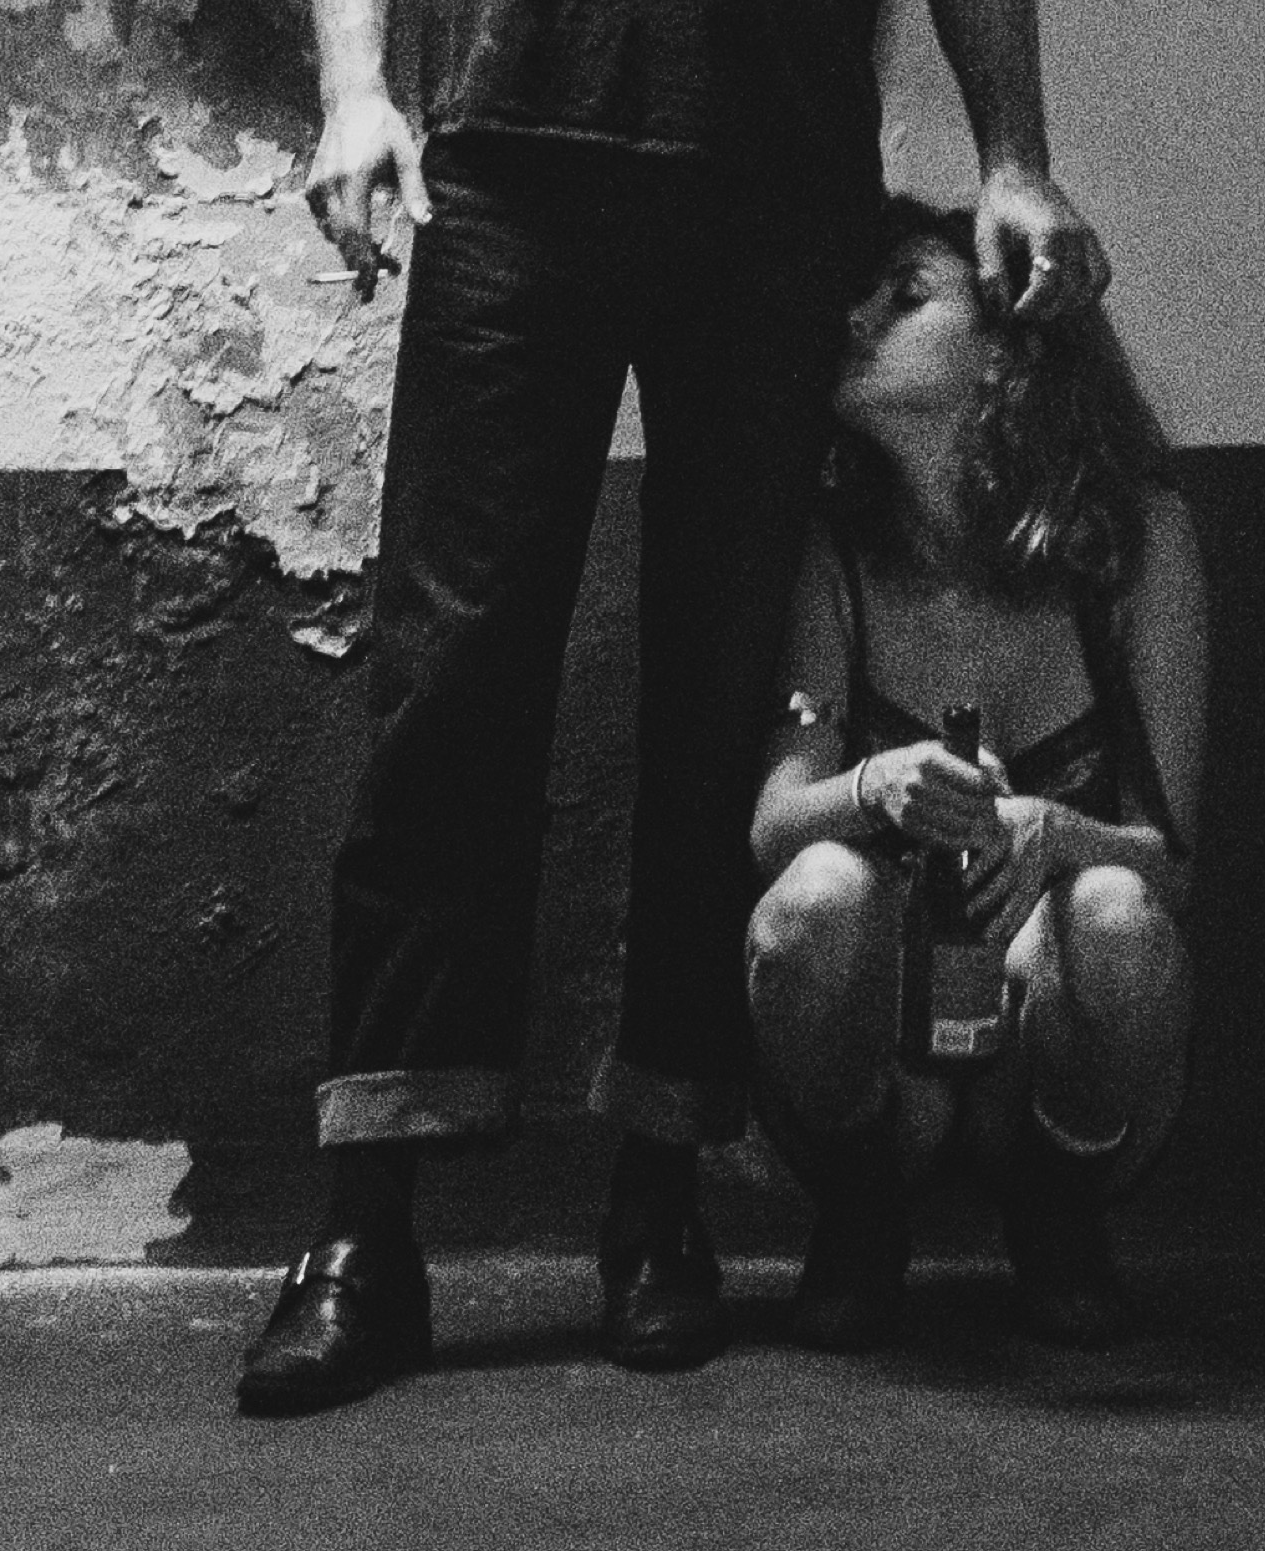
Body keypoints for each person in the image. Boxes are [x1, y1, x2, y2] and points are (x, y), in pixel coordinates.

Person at [237, 0, 1116, 1414]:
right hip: (514, 147)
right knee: (450, 677)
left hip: (774, 176)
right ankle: (362, 1233)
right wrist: (351, 86)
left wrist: (1015, 153)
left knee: (721, 690)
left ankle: (658, 1198)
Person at [744, 197, 1205, 1351]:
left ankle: (1057, 1210)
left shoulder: (1135, 541)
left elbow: (1171, 862)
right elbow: (772, 826)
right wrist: (873, 787)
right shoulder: (837, 548)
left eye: (904, 297)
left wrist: (1059, 833)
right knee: (813, 898)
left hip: (1045, 1062)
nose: (856, 321)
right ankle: (860, 1208)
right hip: (885, 1062)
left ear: (1005, 343)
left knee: (1121, 916)